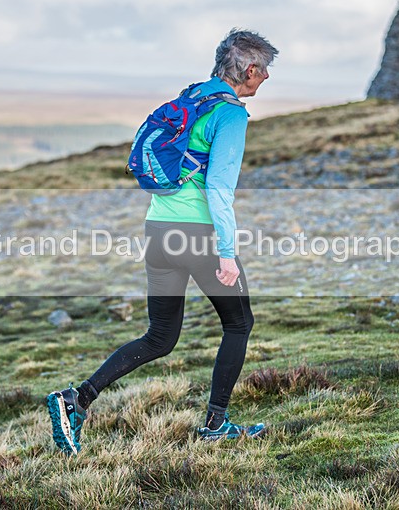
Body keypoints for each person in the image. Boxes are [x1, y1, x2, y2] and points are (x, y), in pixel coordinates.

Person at [47, 28, 278, 455]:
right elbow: (219, 190)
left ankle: (76, 400)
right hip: (200, 236)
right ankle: (215, 424)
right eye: (265, 71)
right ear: (249, 69)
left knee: (160, 337)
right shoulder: (230, 115)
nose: (266, 78)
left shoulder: (192, 99)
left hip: (158, 231)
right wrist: (226, 254)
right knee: (239, 323)